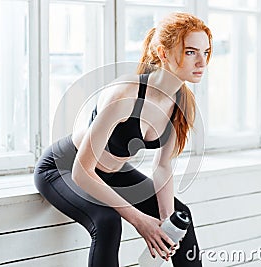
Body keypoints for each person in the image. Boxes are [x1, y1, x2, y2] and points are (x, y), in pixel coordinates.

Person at [34, 12, 212, 267]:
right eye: (191, 52)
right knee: (107, 222)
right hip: (63, 168)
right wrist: (141, 222)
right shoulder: (125, 94)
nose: (202, 62)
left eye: (205, 53)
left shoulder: (180, 102)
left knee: (181, 216)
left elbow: (162, 167)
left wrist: (165, 220)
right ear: (163, 53)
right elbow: (82, 172)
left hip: (111, 172)